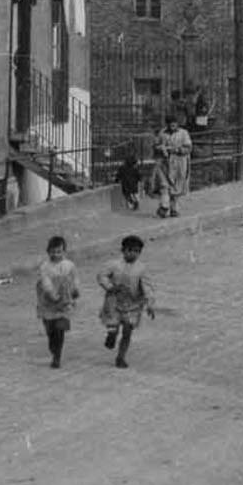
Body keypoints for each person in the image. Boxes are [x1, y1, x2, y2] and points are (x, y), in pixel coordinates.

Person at [97, 234, 155, 370]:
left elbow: (147, 286)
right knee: (113, 326)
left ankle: (121, 357)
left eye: (136, 251)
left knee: (128, 331)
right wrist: (110, 287)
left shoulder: (142, 269)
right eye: (129, 250)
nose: (132, 254)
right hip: (114, 301)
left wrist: (150, 304)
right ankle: (111, 335)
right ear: (123, 250)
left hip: (133, 304)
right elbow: (101, 275)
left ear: (139, 253)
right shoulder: (114, 265)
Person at [33, 235, 80, 368]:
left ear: (64, 252)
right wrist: (52, 295)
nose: (56, 254)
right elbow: (45, 282)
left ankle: (57, 357)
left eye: (59, 251)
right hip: (48, 301)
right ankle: (53, 347)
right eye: (53, 251)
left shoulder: (69, 265)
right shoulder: (45, 267)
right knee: (50, 329)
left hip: (64, 301)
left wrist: (75, 289)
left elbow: (75, 278)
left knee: (60, 328)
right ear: (48, 252)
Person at [154, 114, 192, 218]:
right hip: (165, 164)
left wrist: (177, 150)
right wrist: (161, 148)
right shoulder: (162, 133)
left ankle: (174, 209)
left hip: (179, 164)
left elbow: (188, 148)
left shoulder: (184, 133)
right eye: (170, 124)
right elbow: (156, 145)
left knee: (176, 187)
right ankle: (164, 206)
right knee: (164, 185)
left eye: (174, 123)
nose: (172, 125)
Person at [114, 146, 143, 212]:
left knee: (126, 194)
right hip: (134, 184)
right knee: (134, 193)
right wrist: (140, 179)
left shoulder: (122, 168)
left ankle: (131, 201)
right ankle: (135, 201)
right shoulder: (135, 169)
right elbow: (139, 176)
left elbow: (118, 175)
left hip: (125, 184)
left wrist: (116, 180)